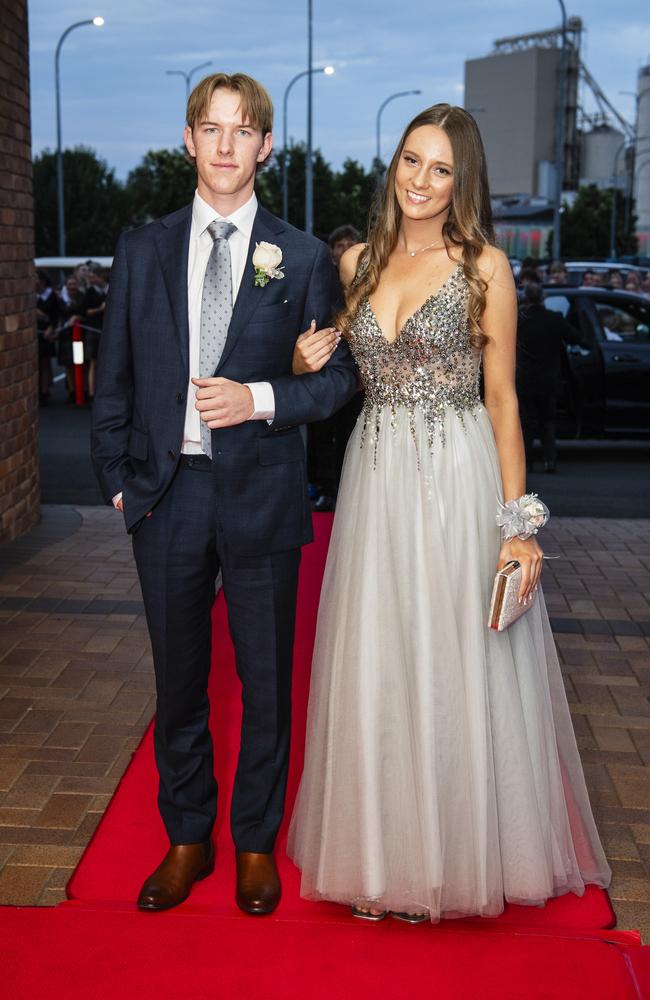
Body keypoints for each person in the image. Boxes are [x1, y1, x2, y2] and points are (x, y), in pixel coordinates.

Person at [288, 104, 611, 923]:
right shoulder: (356, 262)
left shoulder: (485, 267)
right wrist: (300, 358)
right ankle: (382, 859)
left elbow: (502, 402)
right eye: (410, 161)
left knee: (451, 665)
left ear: (462, 182)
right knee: (381, 660)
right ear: (392, 164)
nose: (420, 182)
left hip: (456, 475)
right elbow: (336, 377)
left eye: (440, 169)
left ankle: (453, 856)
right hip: (376, 475)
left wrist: (518, 523)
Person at [91, 72, 357, 916]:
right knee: (179, 684)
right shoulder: (144, 247)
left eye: (243, 131)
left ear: (266, 145)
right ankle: (187, 837)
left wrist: (262, 398)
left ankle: (252, 844)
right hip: (166, 496)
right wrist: (120, 487)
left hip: (262, 497)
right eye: (211, 128)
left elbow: (340, 380)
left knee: (266, 682)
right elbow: (116, 377)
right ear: (188, 139)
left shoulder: (304, 256)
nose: (225, 145)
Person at [516, 282, 577, 473]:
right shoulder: (554, 319)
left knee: (527, 423)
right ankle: (550, 460)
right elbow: (576, 337)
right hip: (548, 378)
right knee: (548, 421)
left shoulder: (520, 320)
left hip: (525, 378)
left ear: (525, 298)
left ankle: (527, 462)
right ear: (543, 298)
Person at [36, 270, 59, 403]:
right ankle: (38, 388)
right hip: (36, 330)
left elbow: (56, 314)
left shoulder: (51, 295)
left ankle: (44, 390)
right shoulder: (30, 295)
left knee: (45, 362)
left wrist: (51, 327)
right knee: (36, 363)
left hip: (47, 330)